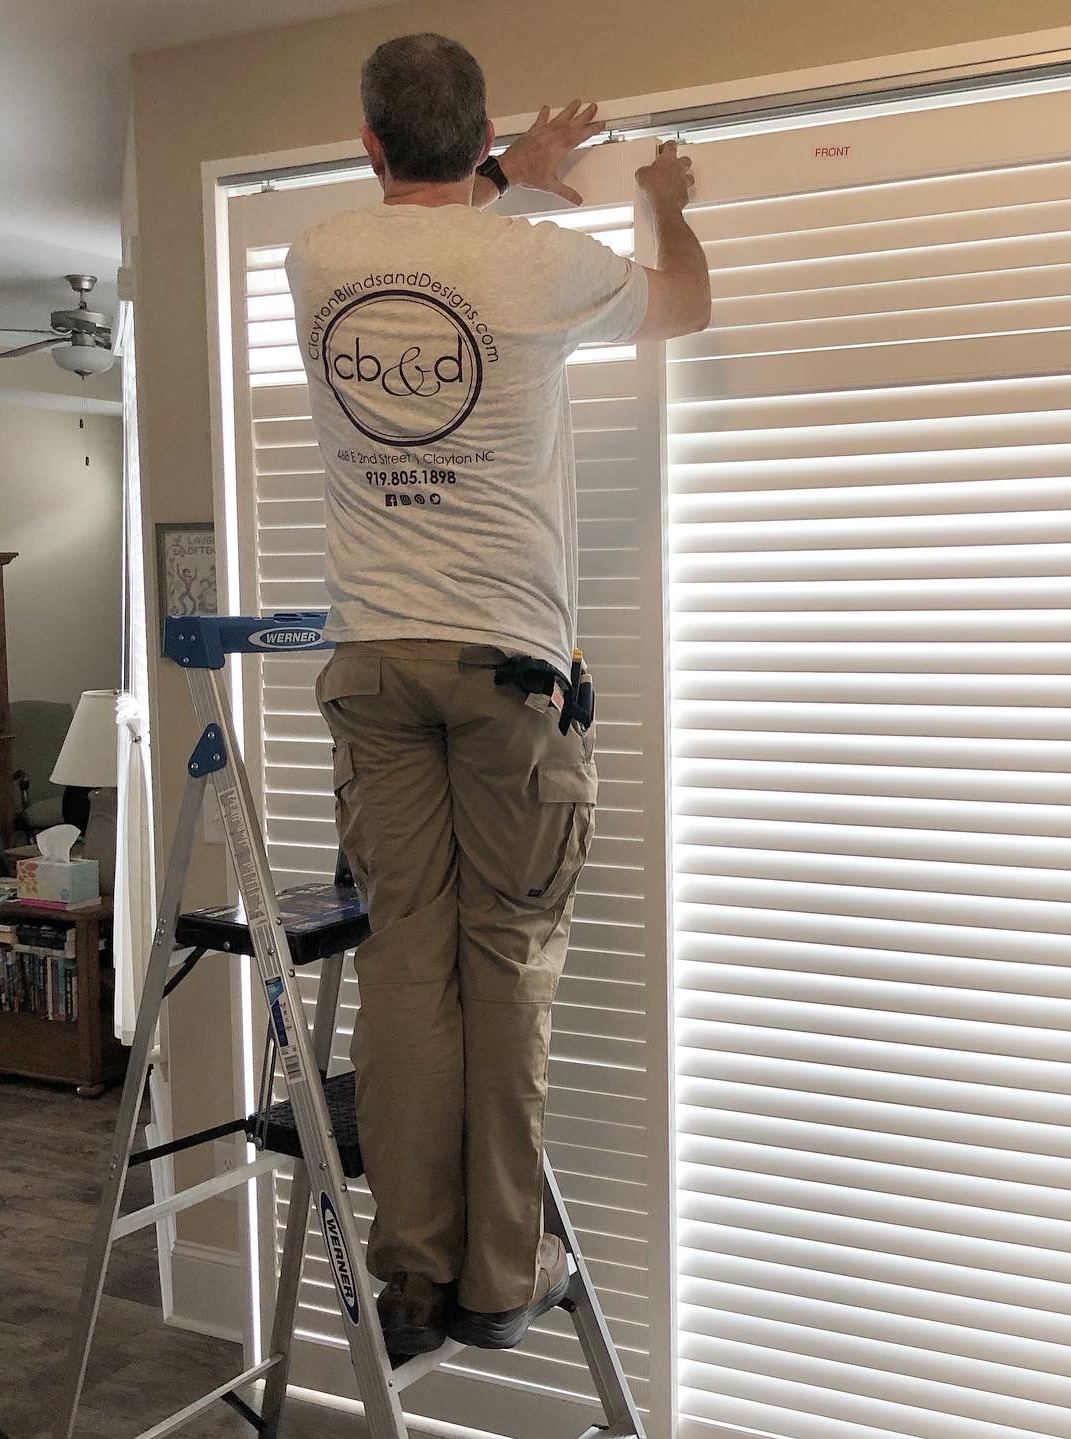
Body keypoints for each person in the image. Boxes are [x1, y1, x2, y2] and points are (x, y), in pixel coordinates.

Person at [286, 33, 709, 1357]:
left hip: (373, 665)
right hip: (505, 667)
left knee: (408, 964)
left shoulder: (316, 261)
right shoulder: (542, 265)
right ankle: (497, 1281)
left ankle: (409, 1274)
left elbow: (435, 239)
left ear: (367, 142)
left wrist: (502, 173)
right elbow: (683, 306)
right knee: (508, 963)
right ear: (475, 136)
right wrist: (667, 211)